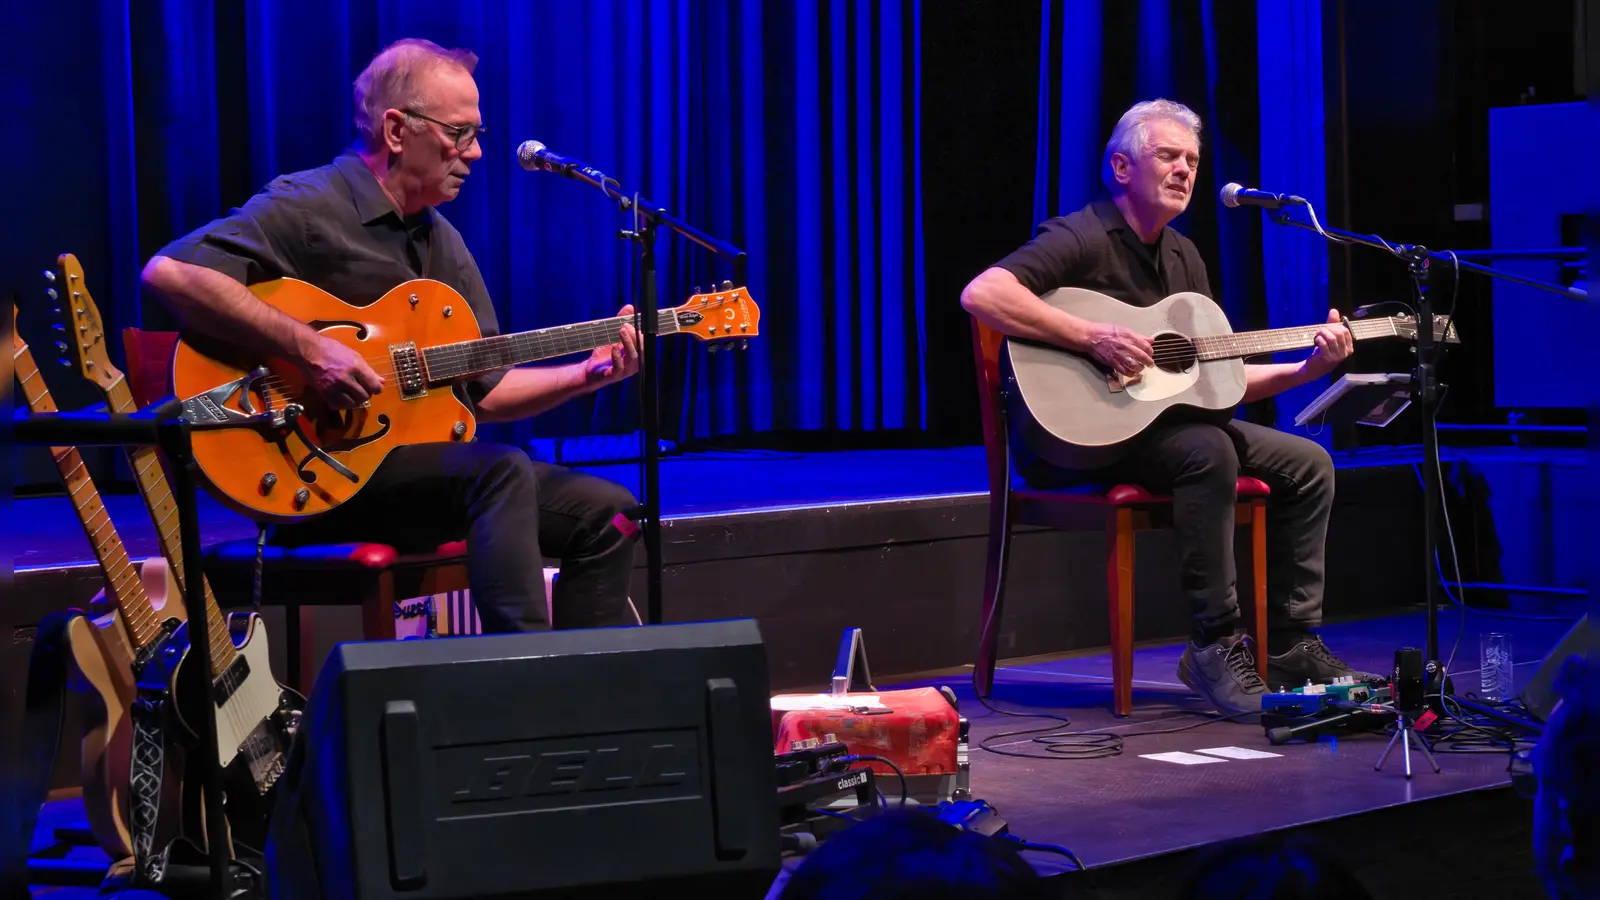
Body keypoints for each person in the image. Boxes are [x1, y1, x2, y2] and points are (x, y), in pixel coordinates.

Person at [141, 38, 643, 633]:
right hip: (314, 470)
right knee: (499, 470)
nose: (477, 153)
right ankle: (523, 686)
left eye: (477, 134)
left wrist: (587, 375)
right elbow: (170, 273)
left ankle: (583, 705)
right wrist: (308, 347)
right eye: (460, 134)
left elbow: (483, 391)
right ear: (397, 129)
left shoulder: (440, 242)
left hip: (408, 477)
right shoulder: (310, 205)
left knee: (608, 513)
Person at [960, 99, 1378, 716]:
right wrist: (1090, 336)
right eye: (1168, 156)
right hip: (1073, 439)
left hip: (1160, 432)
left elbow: (1216, 382)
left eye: (1192, 160)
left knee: (1308, 462)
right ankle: (1215, 644)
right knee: (1206, 450)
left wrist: (1307, 369)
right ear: (1122, 167)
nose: (1184, 169)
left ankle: (1289, 643)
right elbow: (983, 293)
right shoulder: (1078, 236)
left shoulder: (1184, 256)